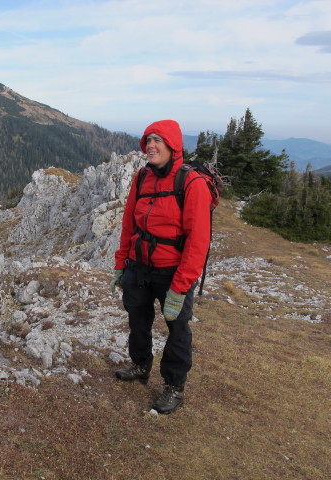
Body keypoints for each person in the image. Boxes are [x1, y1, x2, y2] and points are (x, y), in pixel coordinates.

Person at [111, 119, 213, 414]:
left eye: (158, 140)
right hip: (139, 266)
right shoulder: (142, 177)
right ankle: (140, 365)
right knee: (137, 321)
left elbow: (198, 242)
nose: (151, 145)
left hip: (172, 272)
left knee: (178, 329)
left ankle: (173, 386)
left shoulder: (191, 183)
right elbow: (129, 222)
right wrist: (121, 264)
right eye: (148, 140)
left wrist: (180, 288)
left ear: (173, 146)